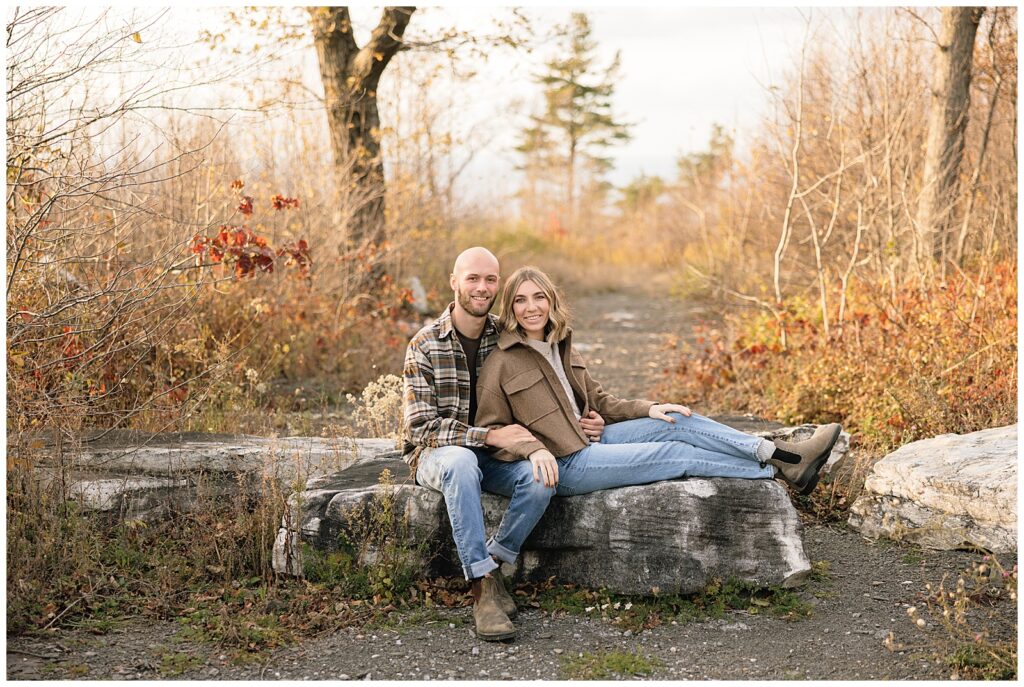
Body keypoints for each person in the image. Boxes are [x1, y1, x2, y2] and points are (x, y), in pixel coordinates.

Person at [475, 264, 841, 516]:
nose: (531, 307)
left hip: (594, 440)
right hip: (568, 461)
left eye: (538, 297)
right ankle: (776, 473)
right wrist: (541, 448)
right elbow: (493, 433)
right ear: (510, 308)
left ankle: (780, 454)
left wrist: (650, 408)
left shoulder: (562, 344)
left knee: (677, 420)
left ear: (551, 301)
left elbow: (600, 401)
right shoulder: (501, 362)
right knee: (676, 453)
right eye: (520, 300)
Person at [402, 248, 607, 642]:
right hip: (438, 456)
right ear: (454, 282)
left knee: (542, 477)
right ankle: (481, 590)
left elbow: (556, 371)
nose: (482, 288)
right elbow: (420, 428)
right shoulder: (425, 344)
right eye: (472, 279)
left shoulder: (506, 334)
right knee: (462, 461)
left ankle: (494, 563)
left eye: (490, 280)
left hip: (496, 457)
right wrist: (491, 435)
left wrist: (587, 410)